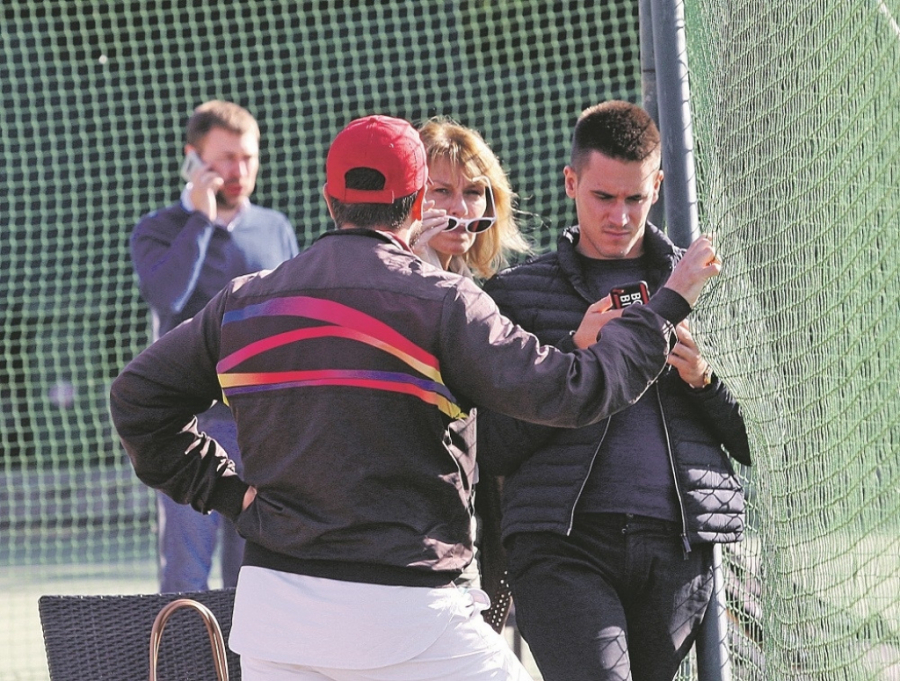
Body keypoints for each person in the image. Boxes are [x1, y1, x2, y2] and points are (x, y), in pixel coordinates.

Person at [110, 113, 722, 681]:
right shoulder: (445, 302)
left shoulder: (245, 300)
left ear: (329, 198)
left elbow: (136, 399)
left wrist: (229, 495)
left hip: (276, 618)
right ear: (416, 202)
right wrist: (665, 306)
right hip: (412, 612)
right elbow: (574, 391)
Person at [477, 100, 753, 681]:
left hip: (677, 547)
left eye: (636, 198)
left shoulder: (703, 285)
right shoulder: (514, 295)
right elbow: (492, 447)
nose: (620, 217)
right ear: (570, 183)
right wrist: (571, 356)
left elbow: (754, 441)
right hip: (560, 544)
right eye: (603, 197)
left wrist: (703, 381)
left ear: (658, 187)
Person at [129, 100, 300, 592]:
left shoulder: (275, 228)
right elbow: (167, 296)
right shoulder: (157, 229)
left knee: (255, 575)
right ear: (194, 159)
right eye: (226, 158)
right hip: (187, 429)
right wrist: (201, 221)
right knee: (186, 575)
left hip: (261, 427)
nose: (239, 171)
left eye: (248, 158)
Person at [413, 116, 530, 617]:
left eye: (475, 192)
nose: (460, 208)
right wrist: (415, 267)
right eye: (441, 191)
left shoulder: (489, 293)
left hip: (479, 520)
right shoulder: (391, 281)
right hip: (411, 534)